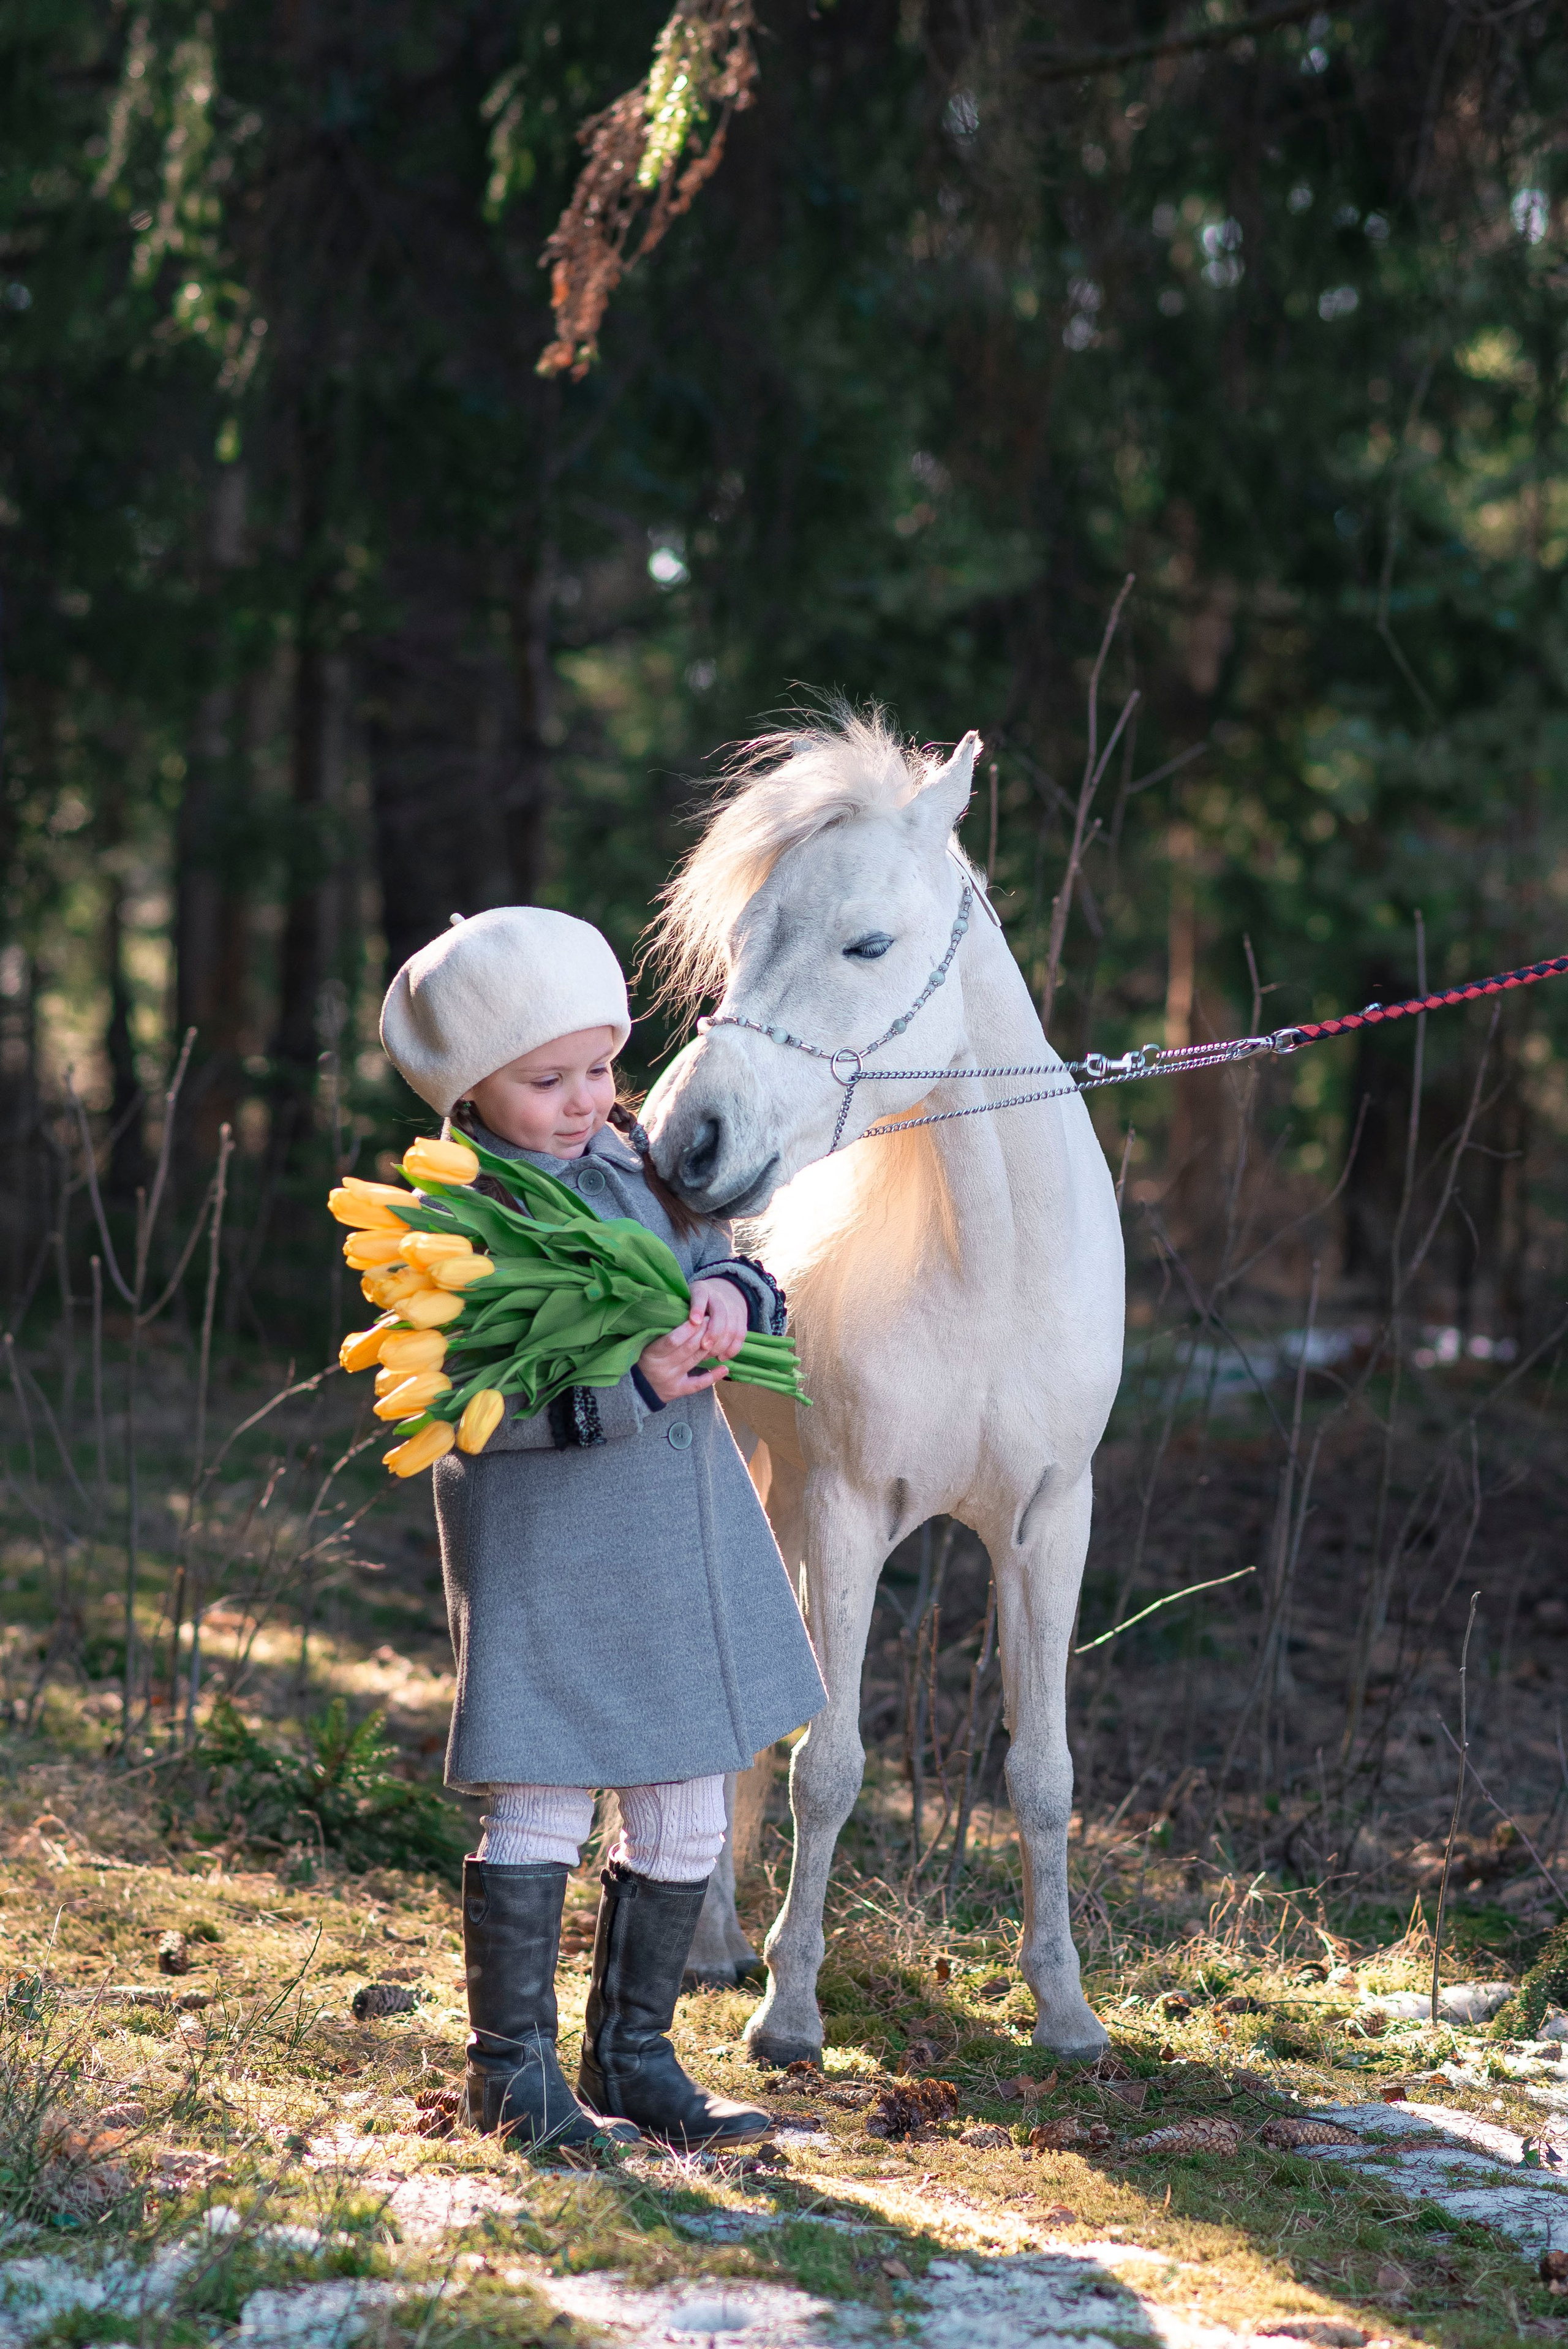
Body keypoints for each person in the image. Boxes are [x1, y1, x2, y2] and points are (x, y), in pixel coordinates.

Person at [379, 906, 825, 2154]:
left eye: (599, 1068)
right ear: (469, 1085)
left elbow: (727, 1255)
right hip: (555, 1554)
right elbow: (465, 1406)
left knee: (683, 1800)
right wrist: (621, 1385)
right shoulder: (459, 1221)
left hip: (678, 1548)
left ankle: (633, 2055)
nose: (583, 1101)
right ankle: (509, 2076)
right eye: (545, 1080)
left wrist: (729, 1302)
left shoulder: (633, 1163)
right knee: (546, 1800)